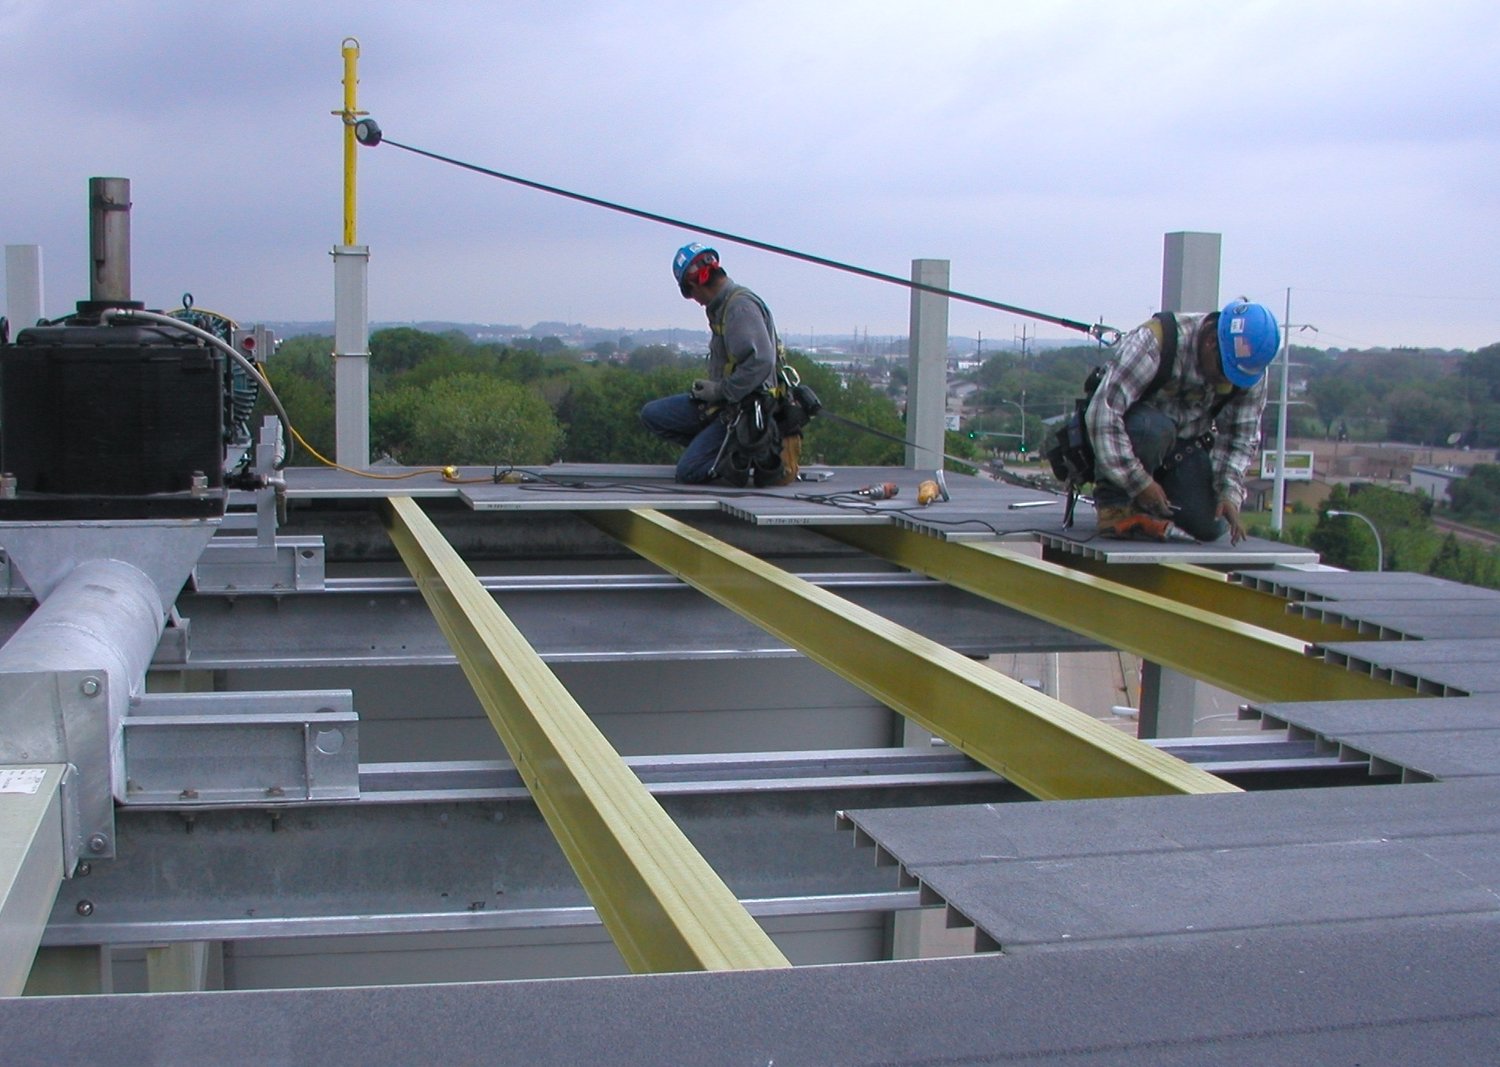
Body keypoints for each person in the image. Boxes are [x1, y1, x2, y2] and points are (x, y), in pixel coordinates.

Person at [1086, 299, 1280, 544]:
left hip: (1182, 448)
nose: (1227, 380)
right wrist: (1140, 483)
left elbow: (1239, 438)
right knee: (1154, 429)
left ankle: (1153, 508)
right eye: (1224, 370)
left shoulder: (1248, 370)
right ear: (1211, 342)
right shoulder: (1154, 343)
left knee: (1212, 525)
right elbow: (1103, 415)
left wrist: (1229, 494)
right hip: (1130, 439)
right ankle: (1115, 505)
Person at [639, 242, 795, 485]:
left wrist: (720, 391)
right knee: (653, 414)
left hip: (745, 412)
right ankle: (712, 447)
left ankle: (739, 456)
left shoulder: (739, 307)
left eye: (690, 295)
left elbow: (761, 361)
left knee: (688, 472)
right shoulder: (722, 306)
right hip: (725, 404)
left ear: (694, 285)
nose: (696, 302)